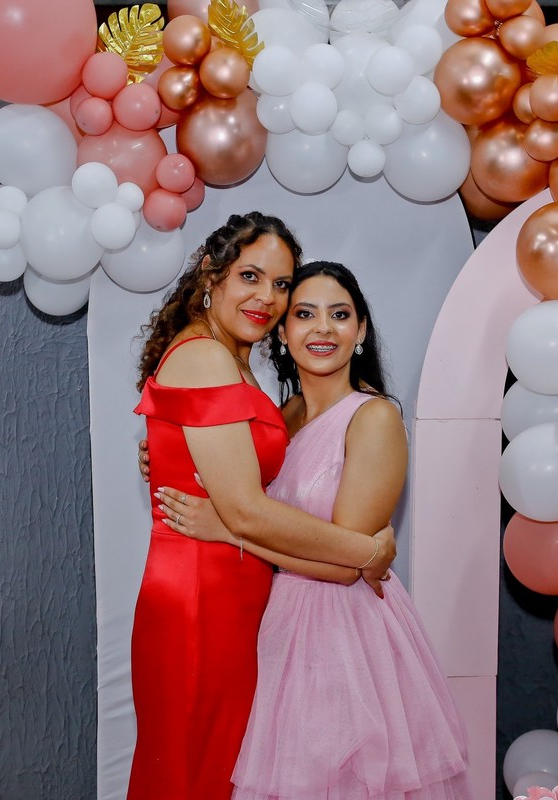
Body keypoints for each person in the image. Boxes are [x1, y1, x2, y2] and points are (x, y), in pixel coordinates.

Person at [156, 261, 470, 799]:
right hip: (277, 625)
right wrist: (161, 453)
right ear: (282, 332)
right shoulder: (282, 418)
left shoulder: (373, 418)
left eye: (339, 315)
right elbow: (230, 469)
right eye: (304, 314)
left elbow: (347, 568)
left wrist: (231, 532)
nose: (322, 328)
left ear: (361, 330)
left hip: (346, 634)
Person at [128, 215, 397, 800]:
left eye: (280, 285)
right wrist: (367, 550)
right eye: (250, 276)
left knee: (217, 769)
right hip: (201, 598)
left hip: (238, 598)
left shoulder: (232, 359)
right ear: (212, 272)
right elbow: (247, 511)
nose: (266, 298)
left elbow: (238, 482)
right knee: (194, 774)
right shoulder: (207, 356)